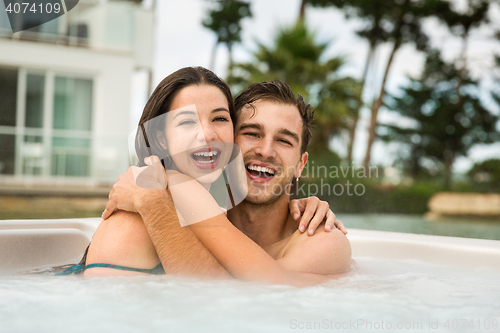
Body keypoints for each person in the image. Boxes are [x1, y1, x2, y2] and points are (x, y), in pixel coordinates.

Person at [69, 67, 350, 286]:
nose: (265, 151)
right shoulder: (133, 224)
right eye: (252, 133)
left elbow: (261, 302)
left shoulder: (322, 240)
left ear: (301, 165)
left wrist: (166, 194)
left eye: (284, 141)